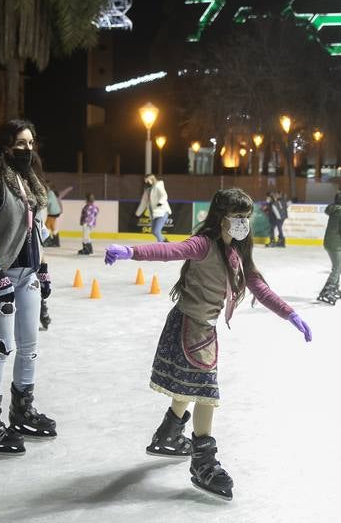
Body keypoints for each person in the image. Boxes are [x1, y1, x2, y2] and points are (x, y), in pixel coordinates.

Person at [104, 188, 312, 501]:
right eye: (236, 217)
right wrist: (130, 252)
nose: (242, 223)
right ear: (220, 218)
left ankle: (169, 433)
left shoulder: (237, 253)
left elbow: (258, 286)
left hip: (202, 329)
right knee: (206, 393)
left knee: (190, 386)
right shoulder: (204, 245)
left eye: (246, 217)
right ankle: (203, 461)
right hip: (190, 327)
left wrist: (290, 313)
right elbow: (169, 252)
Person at [0, 119, 57, 456]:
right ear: (5, 146)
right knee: (1, 347)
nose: (28, 149)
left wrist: (42, 268)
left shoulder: (29, 184)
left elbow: (33, 233)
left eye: (31, 143)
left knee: (29, 347)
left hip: (26, 275)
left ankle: (21, 412)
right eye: (20, 143)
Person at [135, 174, 172, 241]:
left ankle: (163, 246)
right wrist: (137, 214)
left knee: (156, 231)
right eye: (145, 181)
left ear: (151, 179)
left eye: (147, 180)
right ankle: (165, 242)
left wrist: (160, 202)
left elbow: (164, 195)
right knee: (154, 231)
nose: (146, 182)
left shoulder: (158, 186)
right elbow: (143, 203)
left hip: (162, 212)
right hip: (154, 214)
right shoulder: (147, 190)